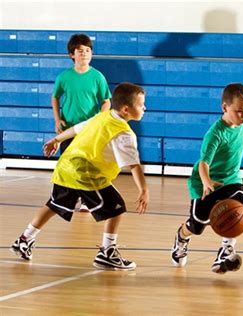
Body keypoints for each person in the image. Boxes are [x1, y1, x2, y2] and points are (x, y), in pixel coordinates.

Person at [11, 83, 149, 271]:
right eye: (141, 105)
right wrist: (144, 190)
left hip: (66, 167)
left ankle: (24, 240)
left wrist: (56, 139)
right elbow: (134, 165)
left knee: (53, 205)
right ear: (126, 110)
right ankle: (107, 253)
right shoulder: (124, 133)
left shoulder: (102, 116)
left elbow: (76, 129)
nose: (144, 108)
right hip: (86, 173)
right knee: (117, 208)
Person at [171, 83, 243, 274]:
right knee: (197, 225)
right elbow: (204, 163)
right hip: (205, 182)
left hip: (231, 180)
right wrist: (206, 182)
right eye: (239, 111)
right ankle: (181, 237)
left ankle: (225, 250)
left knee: (240, 209)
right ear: (225, 108)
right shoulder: (215, 134)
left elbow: (242, 136)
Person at [52, 33, 111, 212]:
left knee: (88, 164)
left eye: (87, 50)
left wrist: (99, 120)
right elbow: (55, 97)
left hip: (89, 130)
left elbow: (106, 101)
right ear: (72, 54)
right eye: (80, 51)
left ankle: (87, 199)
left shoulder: (98, 77)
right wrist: (57, 119)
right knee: (70, 163)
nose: (84, 54)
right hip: (69, 128)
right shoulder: (64, 77)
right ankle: (68, 198)